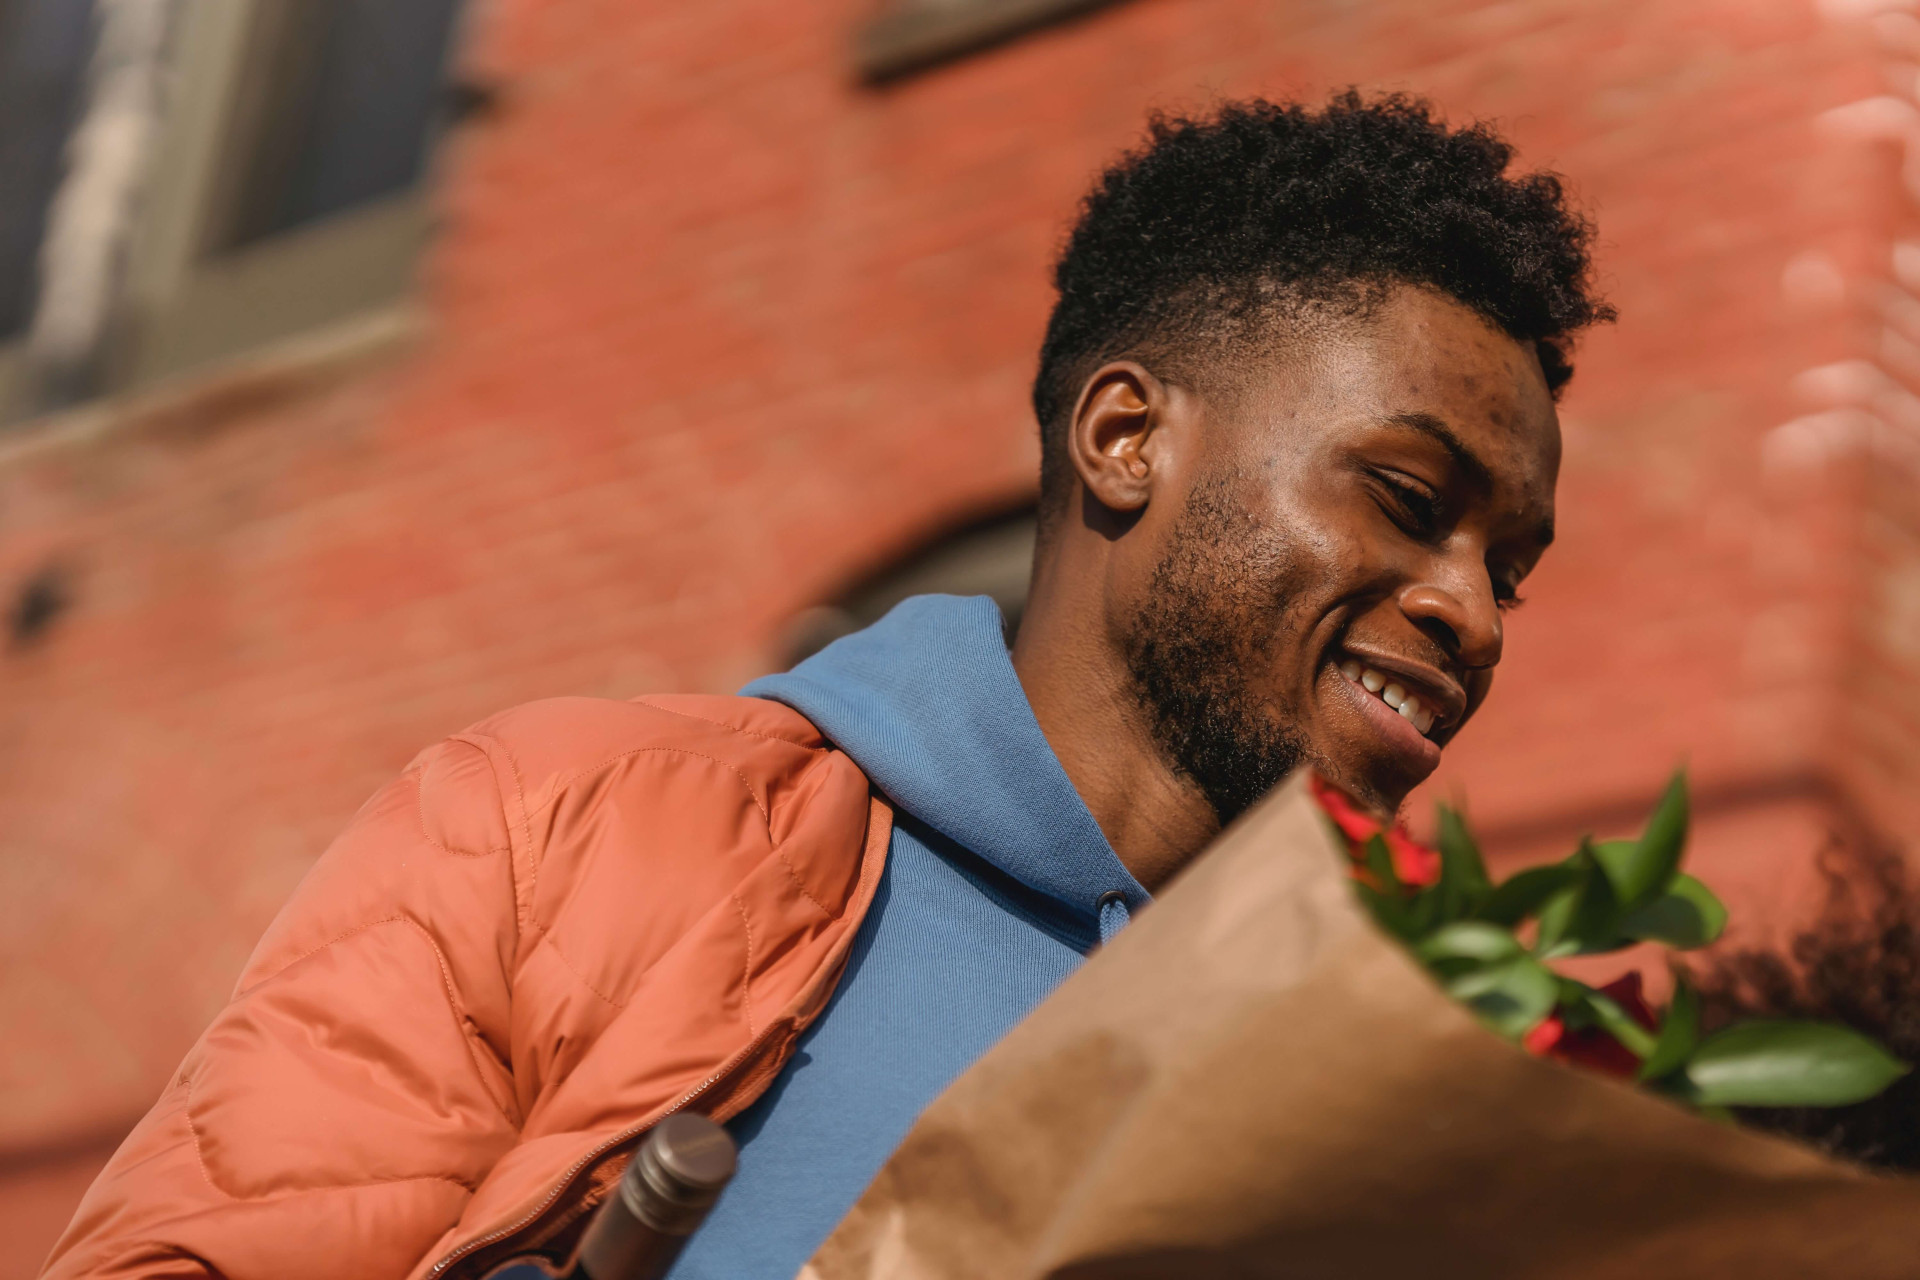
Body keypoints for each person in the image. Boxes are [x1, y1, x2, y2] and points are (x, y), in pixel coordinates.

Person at [41, 91, 1609, 1280]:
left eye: (1511, 569)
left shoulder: (1373, 1095)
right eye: (1407, 501)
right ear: (1127, 440)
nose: (1472, 613)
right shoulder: (569, 827)